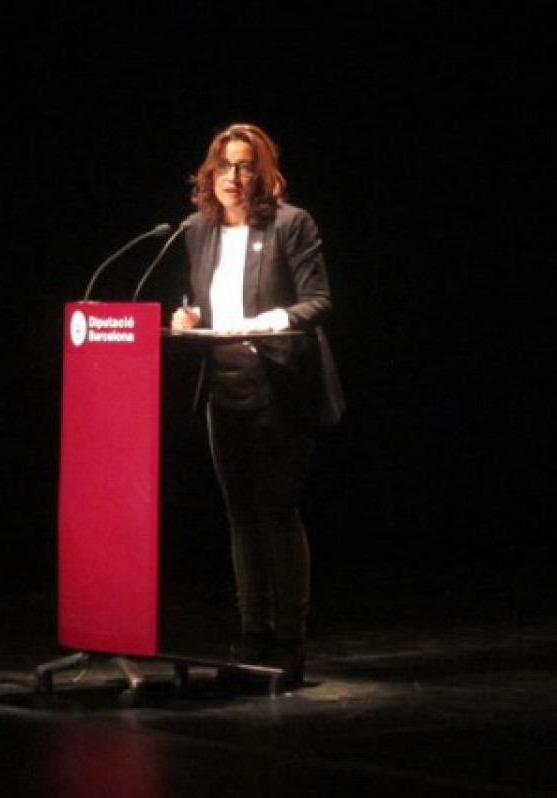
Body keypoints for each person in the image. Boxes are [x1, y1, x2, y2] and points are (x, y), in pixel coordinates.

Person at [170, 123, 345, 687]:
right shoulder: (197, 230)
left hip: (280, 385)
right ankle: (253, 634)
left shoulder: (291, 224)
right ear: (209, 174)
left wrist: (269, 321)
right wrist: (190, 317)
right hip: (224, 385)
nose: (233, 177)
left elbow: (318, 301)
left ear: (263, 174)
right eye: (224, 166)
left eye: (245, 166)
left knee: (277, 511)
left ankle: (290, 641)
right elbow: (209, 299)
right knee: (240, 514)